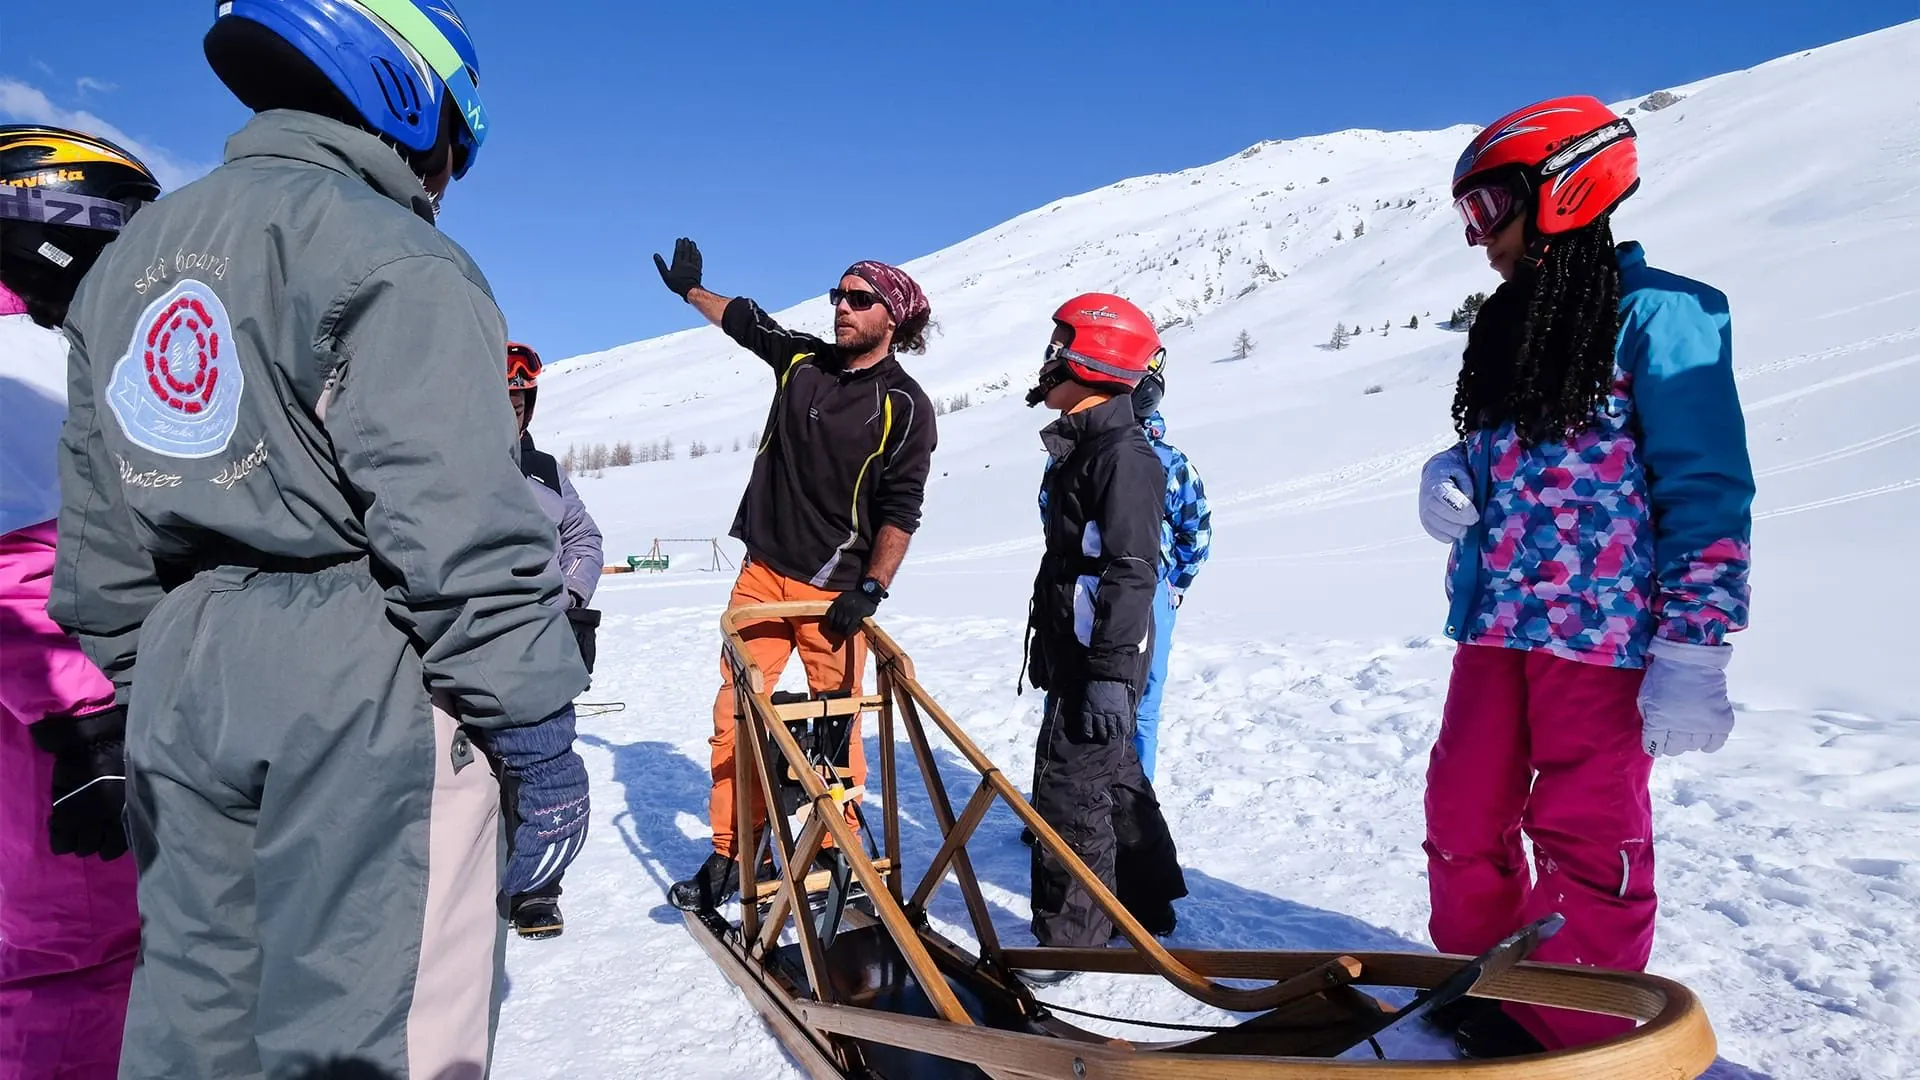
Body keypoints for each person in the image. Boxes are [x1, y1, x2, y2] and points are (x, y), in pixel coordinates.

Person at [49, 4, 591, 1076]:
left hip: (183, 676)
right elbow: (456, 521)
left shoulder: (127, 265)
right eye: (452, 153)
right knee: (376, 1025)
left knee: (195, 1019)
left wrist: (152, 679)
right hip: (364, 675)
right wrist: (533, 732)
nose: (443, 184)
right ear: (410, 95)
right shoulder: (393, 255)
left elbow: (100, 525)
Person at [1416, 96, 1753, 1057]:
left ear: (1564, 188)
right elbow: (1503, 456)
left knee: (1585, 833)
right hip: (1496, 621)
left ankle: (1571, 1027)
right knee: (1462, 809)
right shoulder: (1511, 324)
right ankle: (1486, 981)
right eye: (1469, 216)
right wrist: (1449, 472)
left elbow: (1706, 485)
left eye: (1490, 209)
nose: (1480, 239)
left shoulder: (1661, 315)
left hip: (1602, 636)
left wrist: (1695, 642)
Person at [651, 238, 937, 912]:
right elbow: (747, 320)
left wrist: (872, 588)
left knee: (835, 729)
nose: (842, 307)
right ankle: (733, 855)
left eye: (858, 299)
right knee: (735, 720)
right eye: (838, 295)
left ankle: (837, 853)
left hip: (833, 594)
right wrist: (692, 291)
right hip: (760, 577)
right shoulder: (803, 360)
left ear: (891, 316)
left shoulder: (904, 404)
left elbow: (902, 509)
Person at [0, 124, 158, 1080]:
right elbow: (22, 561)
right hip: (51, 739)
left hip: (52, 717)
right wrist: (93, 721)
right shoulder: (18, 355)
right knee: (77, 961)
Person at [1021, 293, 1187, 964]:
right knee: (1113, 771)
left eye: (1059, 345)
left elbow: (1131, 569)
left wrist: (1110, 676)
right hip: (1080, 648)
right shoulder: (1086, 448)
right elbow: (1073, 565)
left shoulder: (1123, 456)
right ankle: (1146, 900)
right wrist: (1050, 643)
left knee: (1070, 790)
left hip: (1102, 655)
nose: (1047, 361)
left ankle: (1071, 945)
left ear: (1094, 357)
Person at [503, 340, 605, 940]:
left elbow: (584, 539)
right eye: (504, 397)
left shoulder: (545, 470)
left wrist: (569, 595)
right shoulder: (450, 458)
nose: (514, 407)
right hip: (471, 630)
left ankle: (537, 889)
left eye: (522, 399)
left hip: (541, 636)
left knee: (545, 761)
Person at [1127, 362, 1211, 784]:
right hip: (1145, 587)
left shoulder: (1168, 461)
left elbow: (1195, 528)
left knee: (1134, 698)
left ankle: (1130, 801)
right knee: (1141, 699)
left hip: (1142, 588)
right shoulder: (1169, 460)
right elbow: (1195, 530)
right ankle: (1125, 802)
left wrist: (1176, 582)